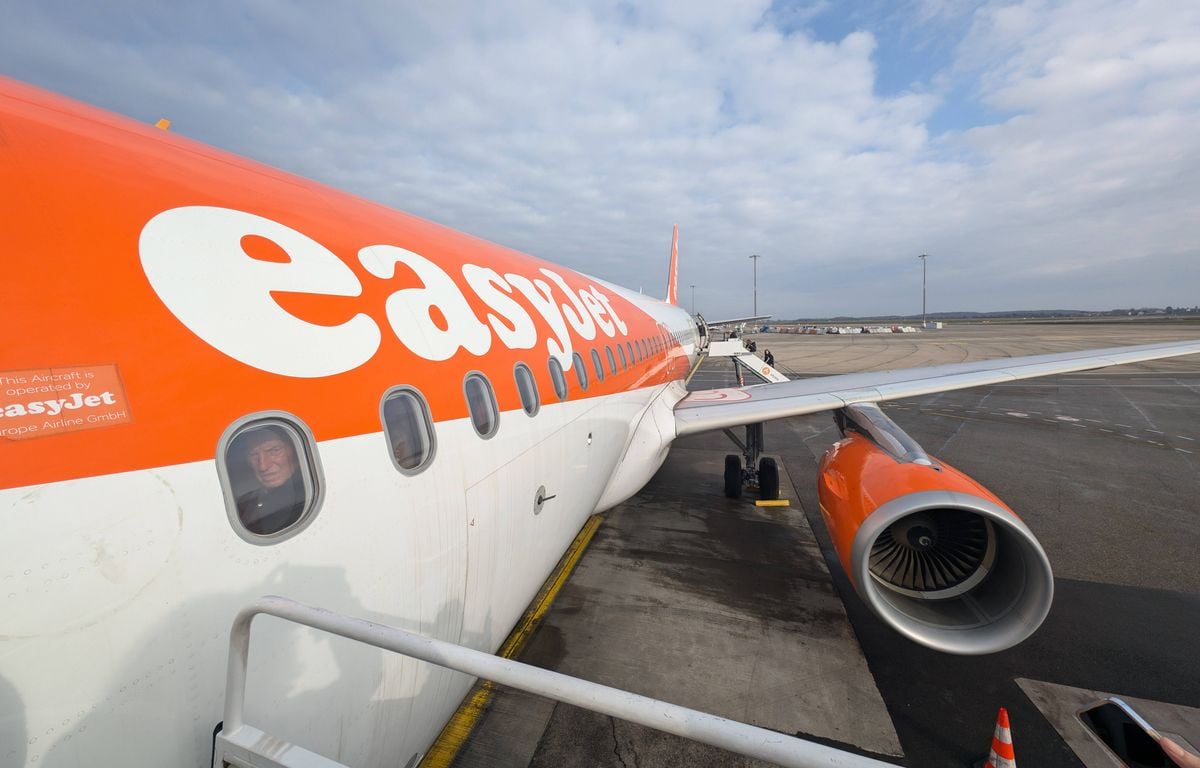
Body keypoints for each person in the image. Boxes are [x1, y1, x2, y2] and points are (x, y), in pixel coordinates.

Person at [236, 425, 305, 535]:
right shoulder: (246, 502)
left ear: (295, 450)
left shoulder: (304, 500)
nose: (263, 466)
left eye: (274, 450)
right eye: (253, 455)